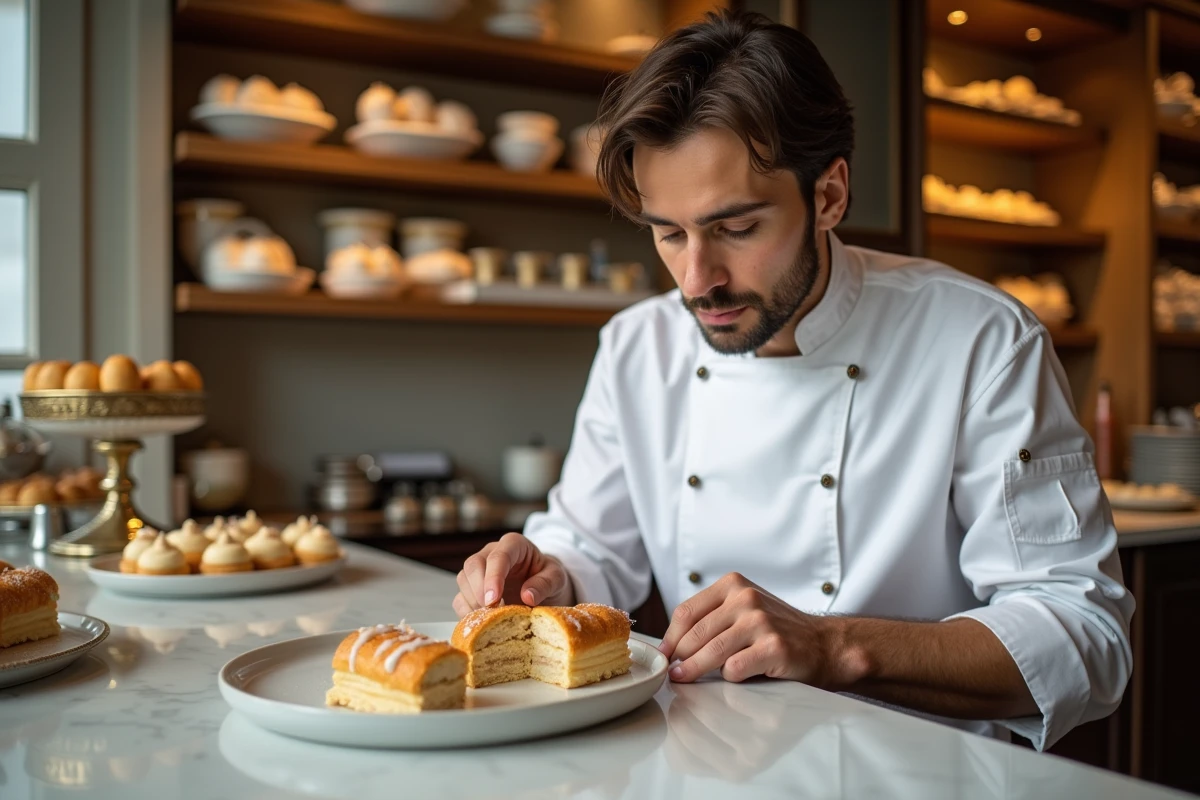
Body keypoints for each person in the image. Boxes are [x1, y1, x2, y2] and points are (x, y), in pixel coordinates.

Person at [453, 10, 1132, 751]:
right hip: (701, 765)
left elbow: (1084, 634)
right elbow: (593, 548)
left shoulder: (981, 340)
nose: (696, 280)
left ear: (830, 196)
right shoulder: (635, 346)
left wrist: (832, 646)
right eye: (669, 233)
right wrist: (551, 577)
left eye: (737, 228)